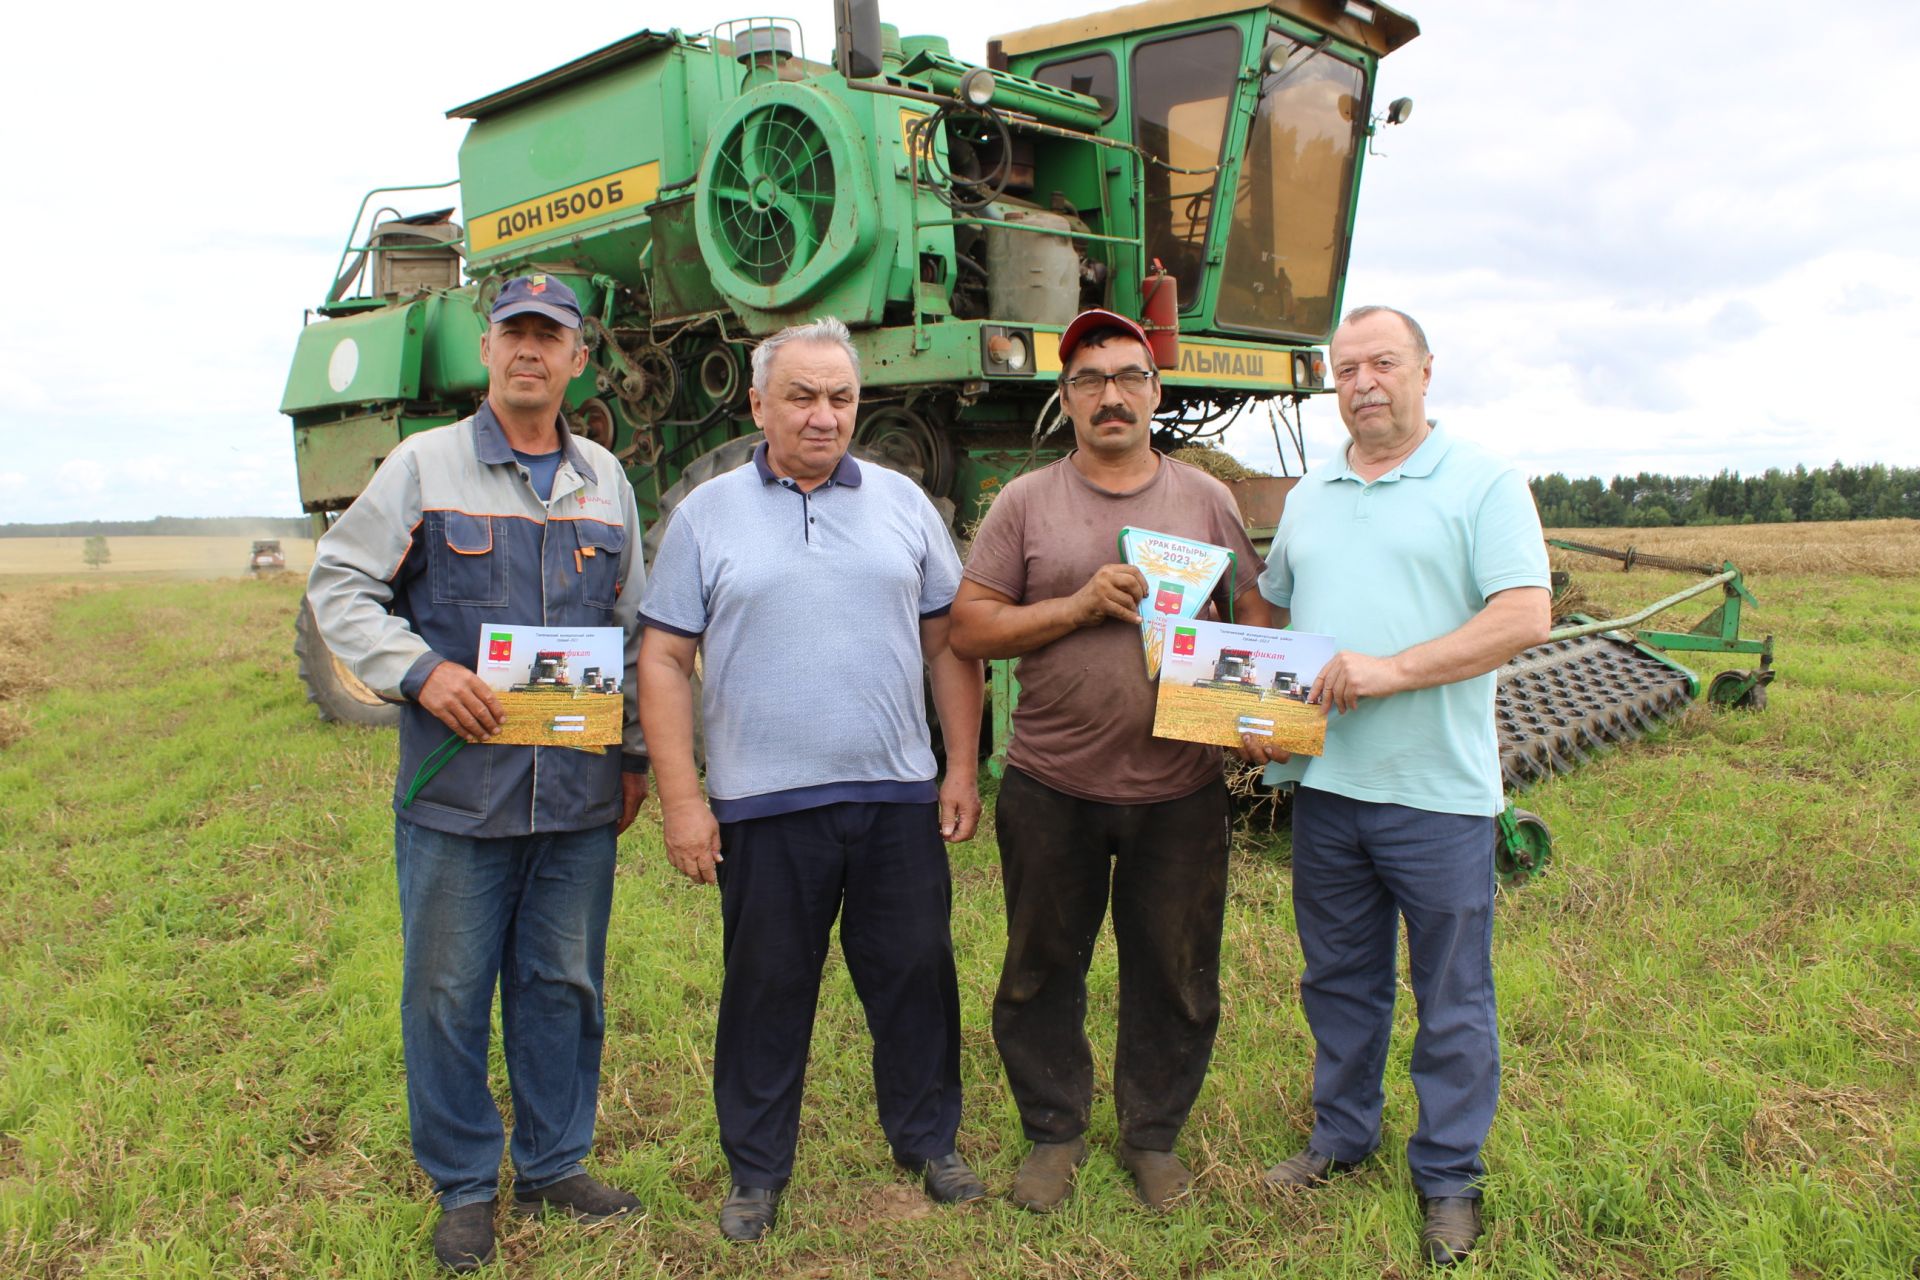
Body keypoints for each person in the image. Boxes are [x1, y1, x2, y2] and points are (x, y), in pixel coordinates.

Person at [306, 275, 651, 1273]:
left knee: (565, 984)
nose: (531, 351)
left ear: (579, 357)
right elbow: (341, 580)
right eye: (515, 334)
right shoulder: (424, 468)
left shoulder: (608, 484)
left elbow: (629, 631)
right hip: (458, 795)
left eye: (552, 335)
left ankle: (552, 1163)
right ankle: (464, 1180)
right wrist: (420, 669)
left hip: (577, 799)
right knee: (448, 991)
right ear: (489, 350)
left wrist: (630, 754)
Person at [635, 317, 987, 1243]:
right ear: (758, 403)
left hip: (895, 797)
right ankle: (756, 1171)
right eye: (801, 396)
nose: (823, 415)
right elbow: (665, 658)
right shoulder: (707, 516)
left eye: (840, 397)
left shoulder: (906, 505)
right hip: (762, 806)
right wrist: (683, 801)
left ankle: (928, 1142)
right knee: (766, 990)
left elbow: (949, 642)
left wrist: (959, 768)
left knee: (916, 975)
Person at [1243, 305, 1550, 1266]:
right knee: (1340, 980)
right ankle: (1342, 1137)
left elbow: (1524, 617)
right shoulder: (1310, 493)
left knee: (1452, 994)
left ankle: (1449, 1175)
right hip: (1329, 788)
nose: (1363, 382)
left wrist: (1392, 669)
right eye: (1346, 369)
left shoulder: (1484, 482)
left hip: (1438, 796)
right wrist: (1246, 708)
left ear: (1426, 370)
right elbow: (1278, 610)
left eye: (1383, 363)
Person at [948, 309, 1269, 1213]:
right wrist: (1078, 606)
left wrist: (1252, 702)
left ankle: (1152, 1137)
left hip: (1181, 789)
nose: (1111, 396)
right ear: (1065, 401)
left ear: (1156, 392)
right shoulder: (1026, 502)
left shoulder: (1206, 501)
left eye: (1129, 377)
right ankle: (1054, 1131)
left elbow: (1254, 627)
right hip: (1053, 782)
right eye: (1089, 382)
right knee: (1043, 961)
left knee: (1174, 967)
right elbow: (970, 629)